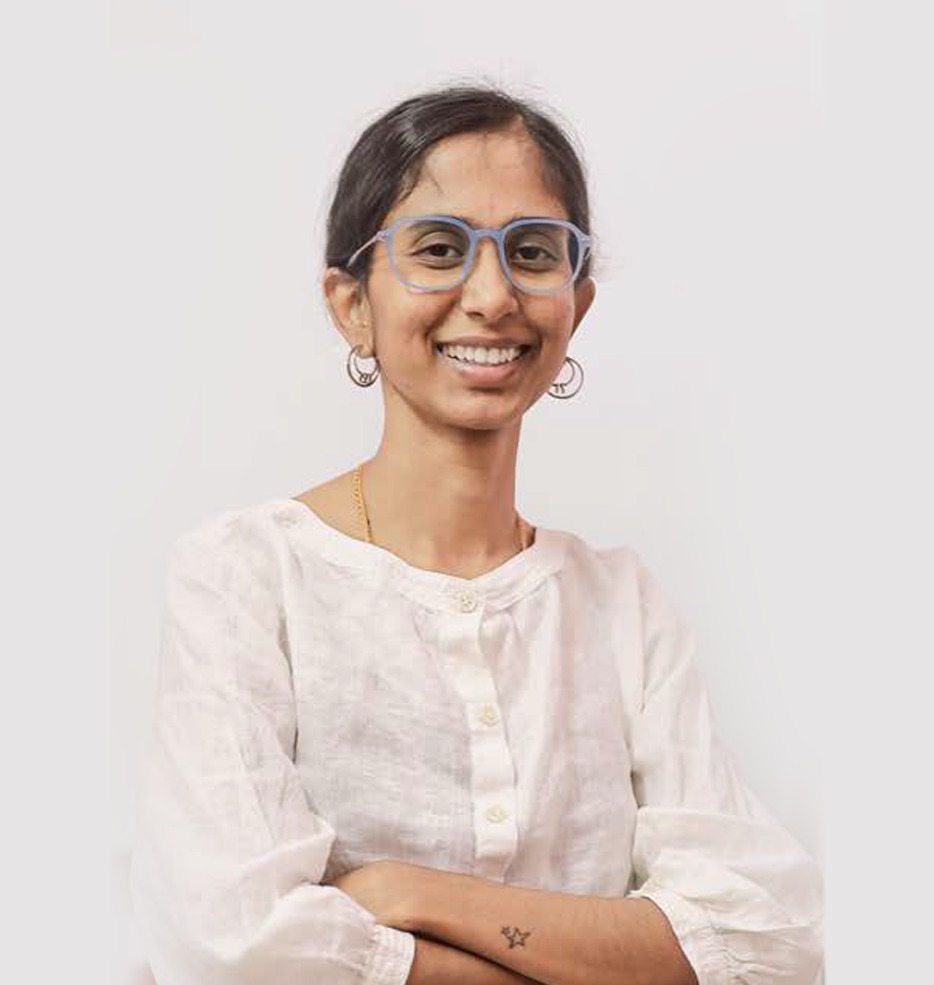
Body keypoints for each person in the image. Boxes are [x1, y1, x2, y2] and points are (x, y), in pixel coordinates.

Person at [130, 84, 823, 985]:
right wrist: (610, 955)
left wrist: (414, 893)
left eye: (532, 252)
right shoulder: (245, 576)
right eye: (438, 248)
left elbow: (774, 940)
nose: (493, 296)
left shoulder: (620, 604)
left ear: (577, 300)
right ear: (351, 303)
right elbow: (234, 947)